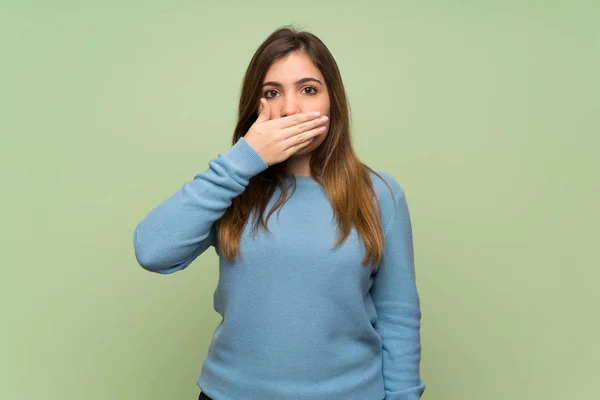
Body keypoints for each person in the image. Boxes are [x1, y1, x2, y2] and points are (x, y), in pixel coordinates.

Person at [133, 25, 425, 400]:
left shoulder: (380, 193)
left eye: (308, 90)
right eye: (272, 93)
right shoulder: (231, 186)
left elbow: (398, 315)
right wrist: (243, 160)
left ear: (332, 100)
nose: (290, 108)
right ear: (255, 107)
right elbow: (152, 251)